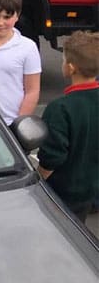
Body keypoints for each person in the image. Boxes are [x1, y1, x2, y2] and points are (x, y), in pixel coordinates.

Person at [37, 31, 98, 222]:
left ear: (71, 68)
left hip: (63, 194)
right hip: (91, 191)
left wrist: (38, 180)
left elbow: (51, 158)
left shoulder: (60, 109)